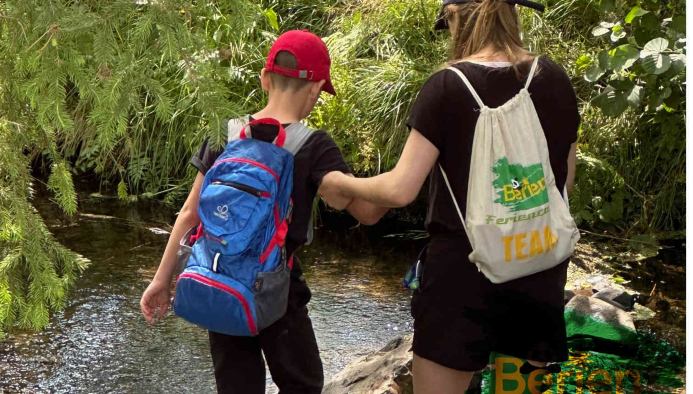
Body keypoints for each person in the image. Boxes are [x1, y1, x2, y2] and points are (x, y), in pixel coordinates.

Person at [320, 0, 580, 392]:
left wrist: (342, 185)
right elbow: (564, 183)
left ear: (456, 15)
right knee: (518, 388)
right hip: (537, 270)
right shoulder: (554, 78)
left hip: (463, 279)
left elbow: (399, 189)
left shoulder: (447, 86)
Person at [140, 30, 386, 394]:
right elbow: (368, 213)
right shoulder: (313, 145)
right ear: (316, 90)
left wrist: (161, 280)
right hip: (279, 292)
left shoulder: (226, 132)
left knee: (237, 386)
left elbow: (190, 213)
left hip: (220, 279)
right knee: (302, 384)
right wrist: (397, 183)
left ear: (264, 78)